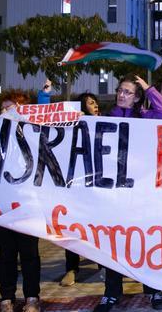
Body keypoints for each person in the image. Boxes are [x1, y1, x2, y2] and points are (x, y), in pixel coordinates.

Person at [96, 74, 162, 311]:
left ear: (137, 98)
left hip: (141, 193)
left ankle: (153, 289)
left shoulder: (145, 117)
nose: (121, 94)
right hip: (115, 193)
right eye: (120, 90)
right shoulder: (108, 118)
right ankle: (111, 294)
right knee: (113, 245)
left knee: (145, 241)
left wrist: (148, 88)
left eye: (128, 92)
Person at [0, 91, 41, 312]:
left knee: (30, 255)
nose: (4, 112)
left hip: (27, 208)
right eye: (2, 108)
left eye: (10, 107)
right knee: (6, 256)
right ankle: (7, 298)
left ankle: (32, 297)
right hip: (0, 209)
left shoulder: (35, 135)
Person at [59, 91, 101, 286]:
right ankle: (71, 269)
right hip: (77, 186)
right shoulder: (72, 125)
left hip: (100, 187)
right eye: (90, 103)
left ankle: (104, 266)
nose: (95, 106)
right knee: (74, 228)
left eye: (95, 103)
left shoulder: (108, 121)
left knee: (102, 229)